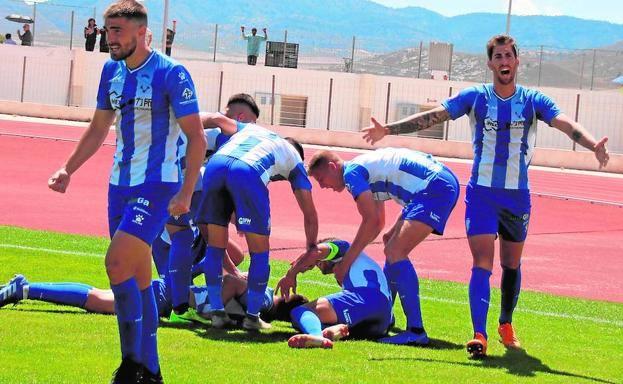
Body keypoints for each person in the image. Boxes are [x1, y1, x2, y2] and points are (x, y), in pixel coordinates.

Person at [360, 34, 610, 358]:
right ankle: (479, 334)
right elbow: (434, 115)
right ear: (491, 63)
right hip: (481, 194)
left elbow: (565, 123)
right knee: (482, 263)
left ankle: (505, 323)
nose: (504, 62)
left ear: (517, 61)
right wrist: (389, 129)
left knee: (511, 264)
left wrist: (592, 145)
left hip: (517, 197)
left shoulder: (533, 100)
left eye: (509, 56)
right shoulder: (475, 97)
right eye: (498, 57)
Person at [47, 1, 206, 382]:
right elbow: (99, 127)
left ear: (140, 32)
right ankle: (149, 371)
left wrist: (185, 193)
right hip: (119, 185)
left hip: (158, 185)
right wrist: (67, 168)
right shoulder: (111, 71)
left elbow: (196, 137)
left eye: (117, 30)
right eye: (107, 30)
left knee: (115, 263)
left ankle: (130, 364)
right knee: (137, 278)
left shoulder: (171, 73)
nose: (110, 38)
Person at [306, 147, 459, 346]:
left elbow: (369, 221)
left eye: (321, 179)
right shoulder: (362, 171)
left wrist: (345, 263)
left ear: (332, 167)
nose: (322, 186)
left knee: (396, 251)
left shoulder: (351, 174)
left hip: (434, 186)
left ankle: (416, 330)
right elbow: (377, 223)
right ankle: (387, 312)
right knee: (390, 241)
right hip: (435, 184)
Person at [195, 102, 319, 332]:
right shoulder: (295, 161)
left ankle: (216, 312)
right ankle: (252, 316)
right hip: (248, 172)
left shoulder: (251, 129)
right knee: (260, 251)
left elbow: (214, 117)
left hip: (215, 166)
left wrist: (180, 121)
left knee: (214, 246)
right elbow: (310, 214)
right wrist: (311, 246)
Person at [0, 273, 307, 327]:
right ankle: (24, 289)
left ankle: (27, 286)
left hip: (166, 294)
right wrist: (216, 313)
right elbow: (231, 283)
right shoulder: (264, 303)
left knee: (99, 296)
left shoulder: (263, 301)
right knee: (97, 301)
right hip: (163, 297)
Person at [276, 238, 393, 349]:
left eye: (319, 261)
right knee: (308, 322)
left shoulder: (342, 248)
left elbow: (315, 252)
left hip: (366, 298)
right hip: (383, 322)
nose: (317, 264)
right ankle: (331, 331)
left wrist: (290, 275)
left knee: (301, 312)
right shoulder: (358, 266)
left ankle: (317, 336)